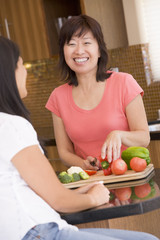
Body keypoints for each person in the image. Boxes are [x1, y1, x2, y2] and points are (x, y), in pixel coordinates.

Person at [0, 37, 158, 240]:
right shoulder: (11, 126)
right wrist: (93, 197)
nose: (25, 71)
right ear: (7, 75)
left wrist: (77, 193)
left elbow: (22, 189)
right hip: (37, 232)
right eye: (20, 65)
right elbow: (57, 199)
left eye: (86, 42)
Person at [46, 14, 150, 171]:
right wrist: (83, 164)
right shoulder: (58, 96)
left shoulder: (124, 83)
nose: (79, 51)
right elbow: (64, 151)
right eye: (71, 44)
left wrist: (119, 135)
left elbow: (144, 137)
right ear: (63, 52)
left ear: (99, 50)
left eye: (87, 43)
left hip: (129, 174)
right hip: (91, 184)